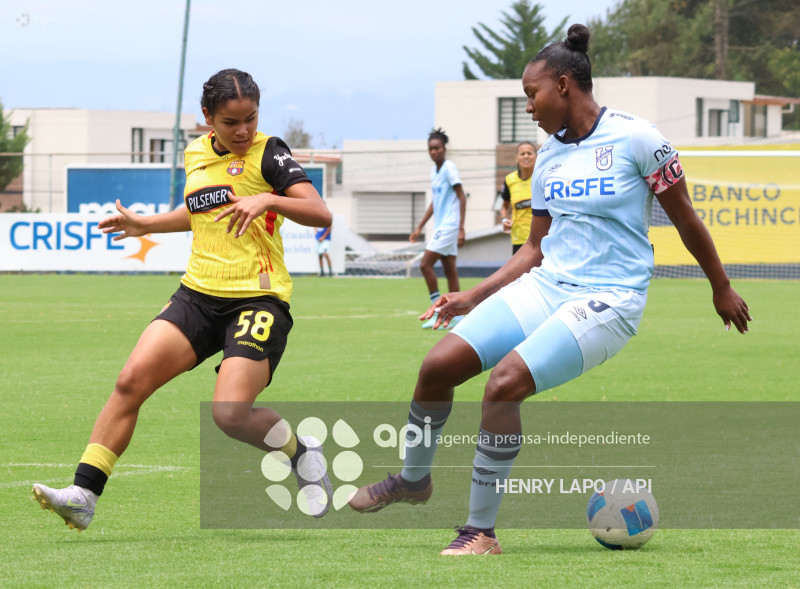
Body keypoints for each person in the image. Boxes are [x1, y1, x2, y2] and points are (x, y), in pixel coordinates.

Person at [347, 25, 751, 555]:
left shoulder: (637, 139)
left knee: (505, 382)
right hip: (546, 285)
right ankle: (413, 480)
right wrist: (472, 296)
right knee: (437, 367)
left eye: (531, 94)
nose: (529, 107)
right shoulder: (547, 158)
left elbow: (686, 220)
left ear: (563, 85)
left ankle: (480, 532)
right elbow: (533, 249)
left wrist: (720, 286)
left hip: (610, 299)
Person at [32, 68, 334, 531]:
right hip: (197, 294)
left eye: (250, 118)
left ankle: (301, 451)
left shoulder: (270, 153)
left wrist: (267, 201)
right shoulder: (195, 153)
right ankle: (84, 494)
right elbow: (199, 211)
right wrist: (147, 225)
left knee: (229, 415)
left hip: (257, 301)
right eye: (231, 122)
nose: (243, 130)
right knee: (131, 380)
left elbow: (319, 212)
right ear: (207, 118)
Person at [410, 128, 467, 329]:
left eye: (437, 148)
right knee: (450, 269)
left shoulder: (449, 168)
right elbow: (435, 203)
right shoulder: (434, 172)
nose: (433, 152)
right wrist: (419, 227)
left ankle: (435, 311)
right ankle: (457, 315)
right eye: (430, 149)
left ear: (444, 149)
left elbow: (461, 196)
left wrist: (461, 228)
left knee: (425, 265)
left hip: (450, 225)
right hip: (442, 226)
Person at [500, 141, 537, 254]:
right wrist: (505, 219)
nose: (526, 156)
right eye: (522, 153)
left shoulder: (542, 178)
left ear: (536, 157)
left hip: (540, 238)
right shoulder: (509, 180)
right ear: (517, 158)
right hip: (518, 240)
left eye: (529, 153)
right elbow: (504, 207)